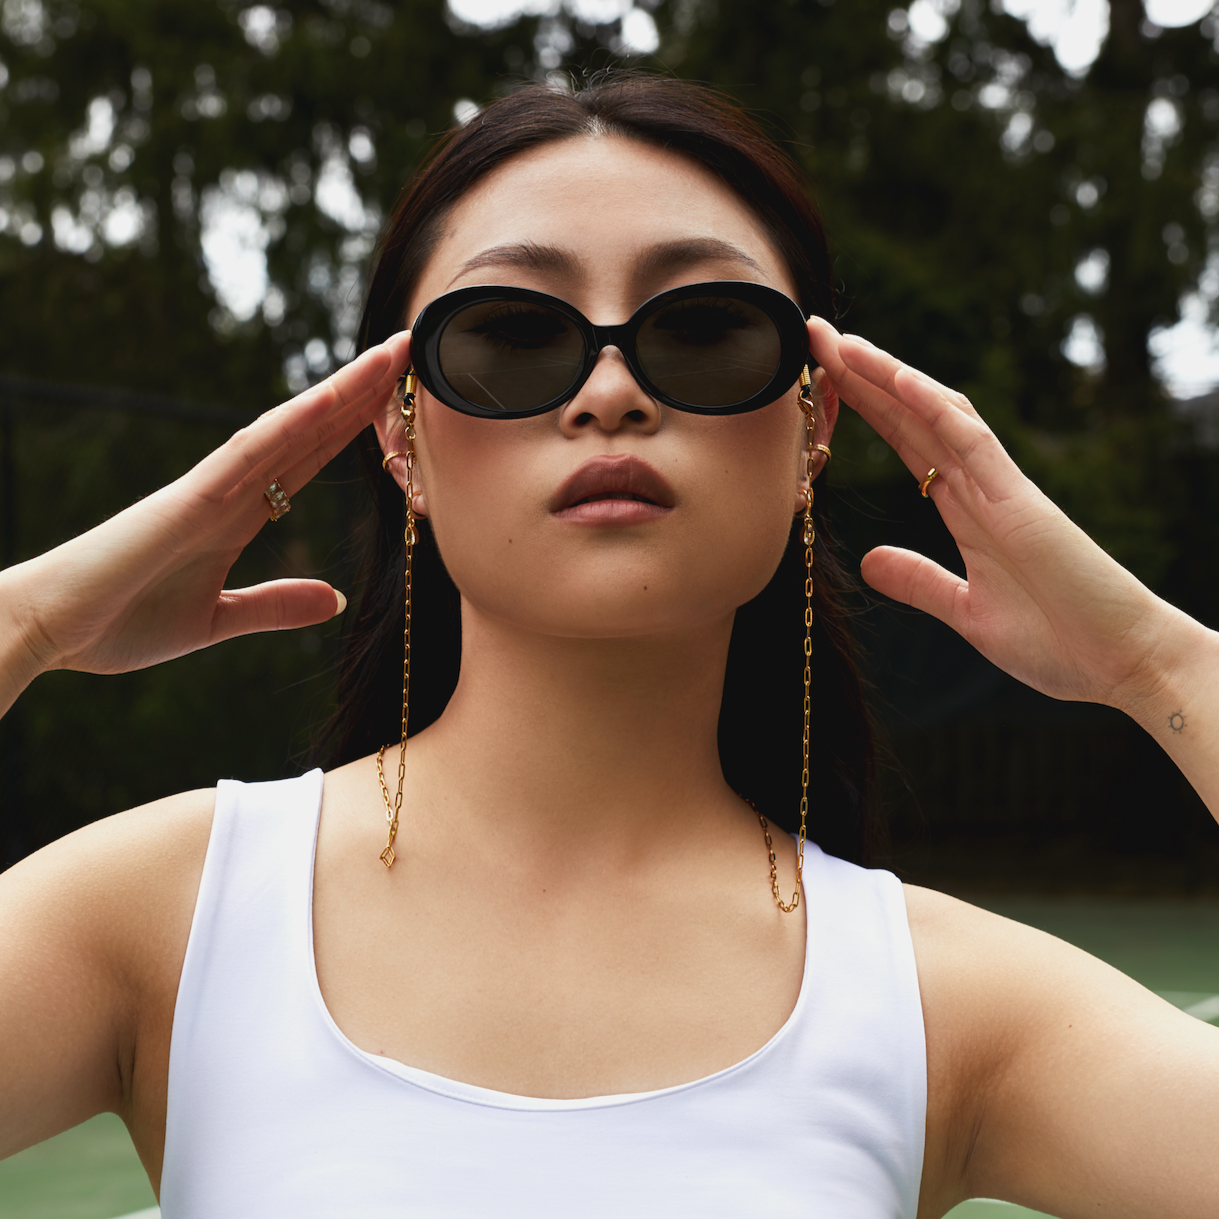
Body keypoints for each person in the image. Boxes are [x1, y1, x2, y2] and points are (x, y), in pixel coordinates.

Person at [1, 73, 1217, 1219]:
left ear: (812, 430)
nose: (611, 388)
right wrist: (24, 627)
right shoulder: (167, 913)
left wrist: (1161, 667)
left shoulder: (946, 1001)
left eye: (705, 331)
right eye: (512, 337)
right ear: (400, 438)